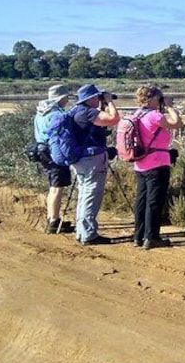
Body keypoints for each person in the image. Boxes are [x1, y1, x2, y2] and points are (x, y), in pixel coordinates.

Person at [131, 85, 183, 250]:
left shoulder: (137, 113)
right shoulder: (154, 115)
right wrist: (169, 106)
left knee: (142, 200)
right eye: (159, 98)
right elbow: (177, 123)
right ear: (153, 99)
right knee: (154, 201)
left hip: (140, 163)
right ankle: (151, 237)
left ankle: (138, 236)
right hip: (157, 163)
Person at [69, 83, 120, 245]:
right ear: (91, 98)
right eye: (97, 97)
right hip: (92, 159)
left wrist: (104, 103)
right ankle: (89, 234)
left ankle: (81, 231)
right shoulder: (89, 113)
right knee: (92, 194)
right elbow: (114, 119)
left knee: (84, 194)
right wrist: (110, 102)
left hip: (81, 159)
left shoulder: (75, 112)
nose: (99, 100)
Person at [33, 84, 74, 234]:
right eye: (67, 98)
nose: (67, 101)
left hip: (42, 151)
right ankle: (54, 222)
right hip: (54, 152)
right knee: (57, 188)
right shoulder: (56, 113)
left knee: (52, 186)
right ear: (61, 98)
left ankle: (52, 218)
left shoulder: (40, 112)